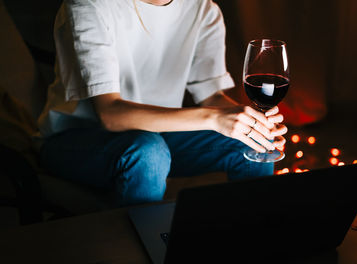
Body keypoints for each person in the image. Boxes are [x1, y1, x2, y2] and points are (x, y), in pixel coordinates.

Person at [38, 0, 287, 206]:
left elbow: (212, 97)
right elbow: (110, 115)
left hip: (159, 136)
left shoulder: (204, 10)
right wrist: (213, 118)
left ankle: (254, 239)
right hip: (74, 140)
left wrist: (253, 125)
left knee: (253, 143)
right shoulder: (89, 6)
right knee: (147, 151)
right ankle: (145, 249)